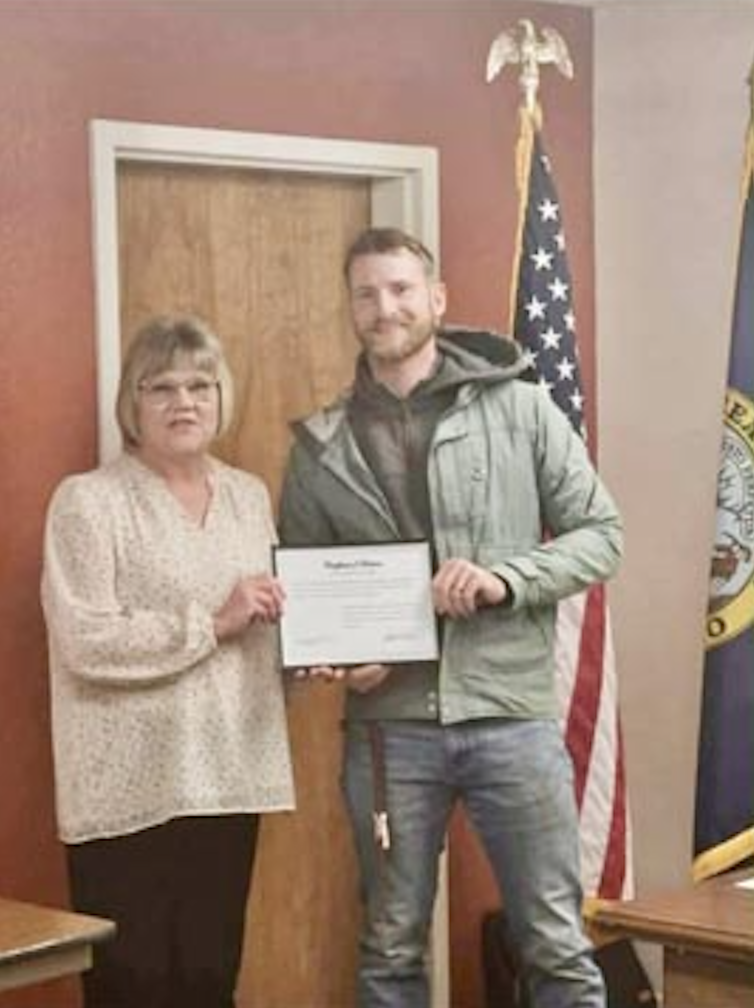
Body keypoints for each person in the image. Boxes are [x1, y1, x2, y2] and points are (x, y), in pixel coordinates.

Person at [279, 227, 623, 1008]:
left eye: (401, 290)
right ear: (351, 310)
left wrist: (506, 579)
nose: (384, 308)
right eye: (366, 294)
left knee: (556, 945)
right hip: (389, 728)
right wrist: (334, 660)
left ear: (436, 299)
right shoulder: (319, 445)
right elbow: (304, 595)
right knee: (391, 948)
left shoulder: (523, 409)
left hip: (512, 716)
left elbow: (603, 536)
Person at [41, 314, 294, 1008]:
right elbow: (85, 640)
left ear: (221, 396)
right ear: (133, 402)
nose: (184, 402)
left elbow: (264, 619)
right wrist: (213, 622)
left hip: (229, 776)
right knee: (135, 986)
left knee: (212, 978)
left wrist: (315, 653)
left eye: (200, 385)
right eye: (162, 387)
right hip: (129, 789)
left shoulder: (248, 495)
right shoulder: (89, 502)